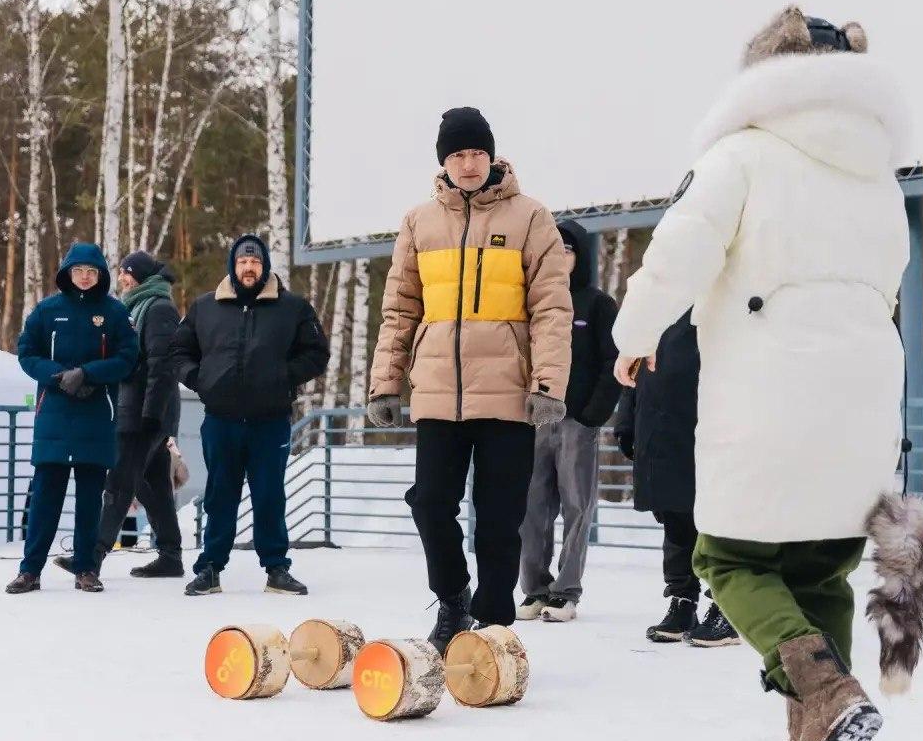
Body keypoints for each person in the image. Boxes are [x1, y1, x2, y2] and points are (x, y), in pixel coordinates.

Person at [612, 7, 923, 741]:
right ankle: (808, 734)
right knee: (821, 560)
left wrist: (635, 331)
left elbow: (683, 247)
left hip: (769, 390)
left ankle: (824, 694)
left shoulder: (742, 154)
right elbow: (888, 281)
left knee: (727, 555)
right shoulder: (877, 177)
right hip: (862, 396)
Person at [367, 106, 572, 652]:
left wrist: (548, 384)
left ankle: (494, 624)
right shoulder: (419, 222)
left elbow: (552, 306)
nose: (468, 163)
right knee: (430, 501)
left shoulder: (531, 217)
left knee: (501, 518)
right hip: (437, 391)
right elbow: (400, 310)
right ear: (444, 161)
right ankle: (454, 601)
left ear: (491, 156)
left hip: (509, 395)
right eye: (457, 154)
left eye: (476, 152)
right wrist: (385, 382)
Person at [171, 235, 329, 597]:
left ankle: (276, 568)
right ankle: (210, 568)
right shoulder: (205, 307)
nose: (248, 268)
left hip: (269, 421)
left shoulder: (292, 308)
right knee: (219, 495)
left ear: (264, 266)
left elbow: (316, 353)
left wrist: (283, 377)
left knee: (269, 495)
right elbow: (178, 350)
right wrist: (200, 380)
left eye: (255, 262)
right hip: (221, 420)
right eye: (242, 261)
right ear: (233, 265)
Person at [6, 242, 139, 594]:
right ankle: (29, 570)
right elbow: (26, 351)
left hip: (96, 414)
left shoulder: (113, 313)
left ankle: (86, 569)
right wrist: (57, 376)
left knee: (90, 499)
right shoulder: (47, 311)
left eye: (91, 272)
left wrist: (89, 374)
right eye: (79, 270)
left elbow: (129, 356)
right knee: (45, 497)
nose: (84, 277)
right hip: (55, 413)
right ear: (67, 273)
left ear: (100, 276)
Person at [53, 251, 183, 578]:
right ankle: (171, 556)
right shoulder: (138, 307)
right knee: (151, 486)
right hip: (138, 409)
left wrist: (152, 414)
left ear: (139, 275)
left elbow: (162, 366)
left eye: (126, 273)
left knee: (119, 480)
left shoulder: (159, 309)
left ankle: (91, 557)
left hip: (144, 413)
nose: (122, 279)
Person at [516, 219, 620, 623]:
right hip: (534, 421)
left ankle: (566, 591)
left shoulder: (597, 304)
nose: (560, 258)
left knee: (577, 505)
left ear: (581, 256)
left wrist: (593, 413)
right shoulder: (533, 303)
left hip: (577, 421)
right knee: (532, 507)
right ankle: (535, 588)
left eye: (568, 250)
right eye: (553, 250)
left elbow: (613, 361)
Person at [613, 312, 739, 646]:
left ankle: (727, 606)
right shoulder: (659, 306)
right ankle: (683, 600)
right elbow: (635, 369)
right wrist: (626, 421)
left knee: (716, 521)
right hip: (660, 424)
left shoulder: (721, 298)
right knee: (675, 517)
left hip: (707, 427)